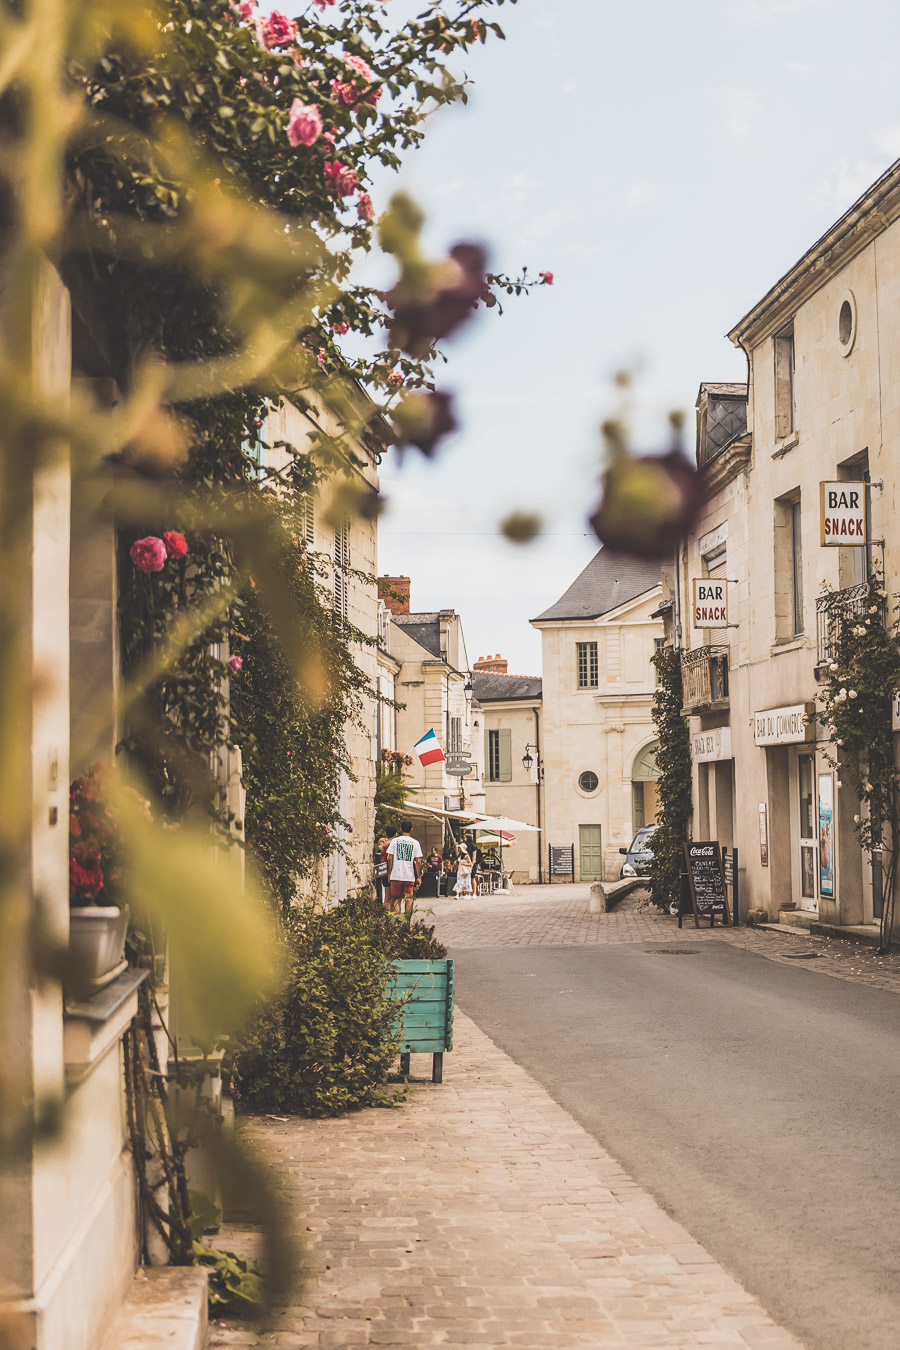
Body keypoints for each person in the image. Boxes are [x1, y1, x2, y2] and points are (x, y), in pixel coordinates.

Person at [386, 820, 423, 915]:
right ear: (411, 829)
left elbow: (389, 857)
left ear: (401, 829)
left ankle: (397, 922)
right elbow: (418, 861)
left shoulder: (394, 841)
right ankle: (406, 922)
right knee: (408, 899)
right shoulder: (415, 843)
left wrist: (389, 872)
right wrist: (419, 876)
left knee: (396, 898)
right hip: (409, 875)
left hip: (396, 874)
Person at [374, 824, 396, 905]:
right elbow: (390, 858)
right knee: (390, 897)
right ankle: (389, 915)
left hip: (384, 870)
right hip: (389, 871)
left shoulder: (385, 844)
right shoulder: (391, 844)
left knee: (387, 896)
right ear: (395, 833)